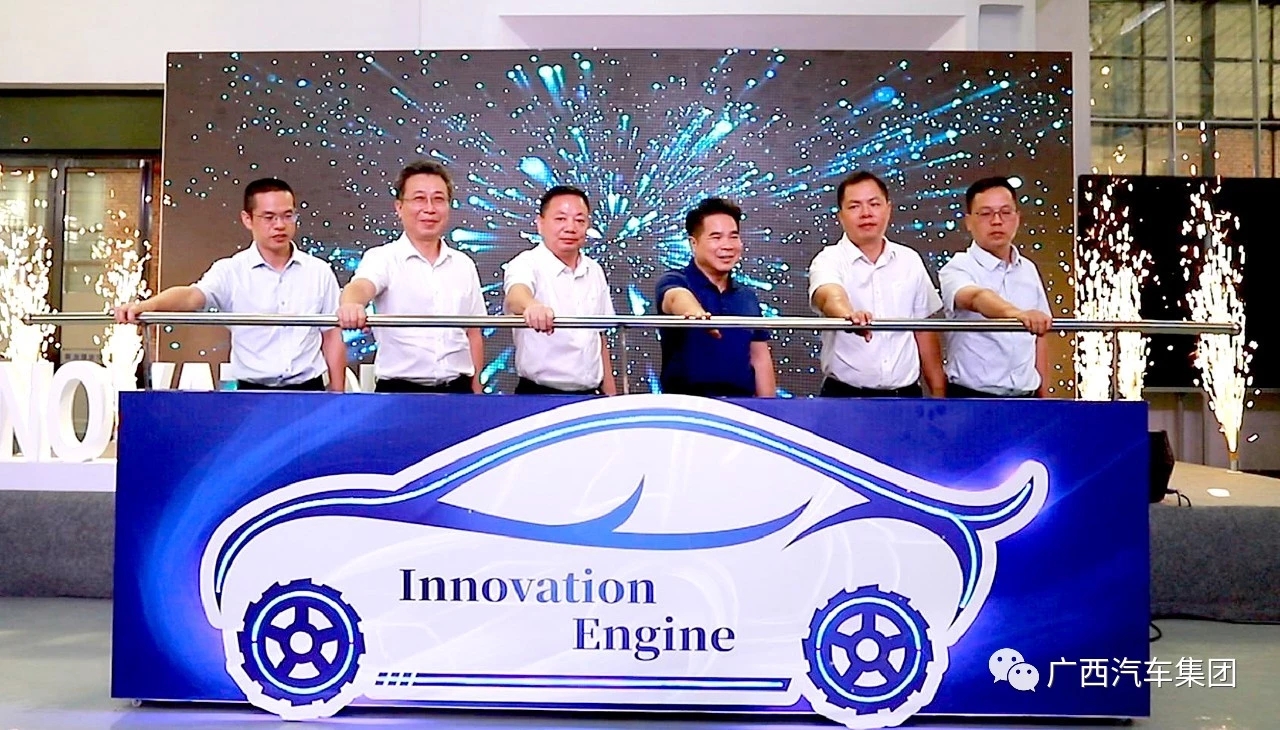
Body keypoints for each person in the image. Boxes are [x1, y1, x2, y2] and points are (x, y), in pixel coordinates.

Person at [114, 178, 345, 392]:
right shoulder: (230, 271)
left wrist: (338, 395)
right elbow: (192, 296)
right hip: (250, 394)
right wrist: (147, 306)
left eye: (288, 216)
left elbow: (332, 336)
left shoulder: (319, 271)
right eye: (269, 217)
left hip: (310, 391)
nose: (279, 225)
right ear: (247, 219)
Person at [336, 160, 486, 393]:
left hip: (459, 391)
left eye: (438, 199)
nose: (429, 209)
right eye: (419, 199)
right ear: (399, 207)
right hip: (399, 392)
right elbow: (361, 286)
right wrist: (351, 304)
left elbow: (473, 333)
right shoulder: (382, 258)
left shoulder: (463, 264)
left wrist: (476, 393)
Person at [808, 171, 946, 398]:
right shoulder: (828, 259)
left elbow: (923, 330)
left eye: (874, 204)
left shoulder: (909, 259)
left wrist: (939, 394)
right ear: (840, 216)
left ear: (888, 209)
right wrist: (849, 315)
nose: (866, 213)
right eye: (854, 206)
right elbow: (828, 295)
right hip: (845, 397)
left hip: (906, 396)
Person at [938, 176, 1054, 398]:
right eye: (986, 213)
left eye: (1005, 212)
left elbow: (1039, 337)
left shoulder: (1028, 269)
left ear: (1017, 218)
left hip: (1026, 397)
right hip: (973, 398)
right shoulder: (957, 267)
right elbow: (977, 298)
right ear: (968, 222)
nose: (997, 221)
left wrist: (1045, 398)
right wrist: (1017, 314)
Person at [654, 198, 776, 398]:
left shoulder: (747, 296)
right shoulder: (675, 280)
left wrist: (769, 407)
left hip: (741, 404)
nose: (727, 246)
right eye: (716, 237)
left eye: (733, 237)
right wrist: (695, 313)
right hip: (687, 405)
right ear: (694, 243)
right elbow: (676, 298)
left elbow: (759, 357)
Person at [503, 186, 618, 395]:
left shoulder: (594, 270)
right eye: (561, 219)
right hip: (539, 394)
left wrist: (611, 397)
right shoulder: (525, 263)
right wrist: (532, 307)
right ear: (540, 224)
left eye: (579, 220)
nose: (571, 228)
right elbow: (516, 295)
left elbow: (599, 337)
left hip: (590, 395)